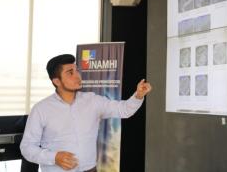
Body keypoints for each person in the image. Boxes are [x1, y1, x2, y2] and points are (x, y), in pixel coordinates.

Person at [20, 54, 152, 172]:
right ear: (57, 81)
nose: (77, 76)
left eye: (77, 70)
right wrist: (54, 157)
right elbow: (27, 147)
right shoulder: (41, 109)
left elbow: (123, 110)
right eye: (70, 73)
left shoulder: (92, 100)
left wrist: (138, 96)